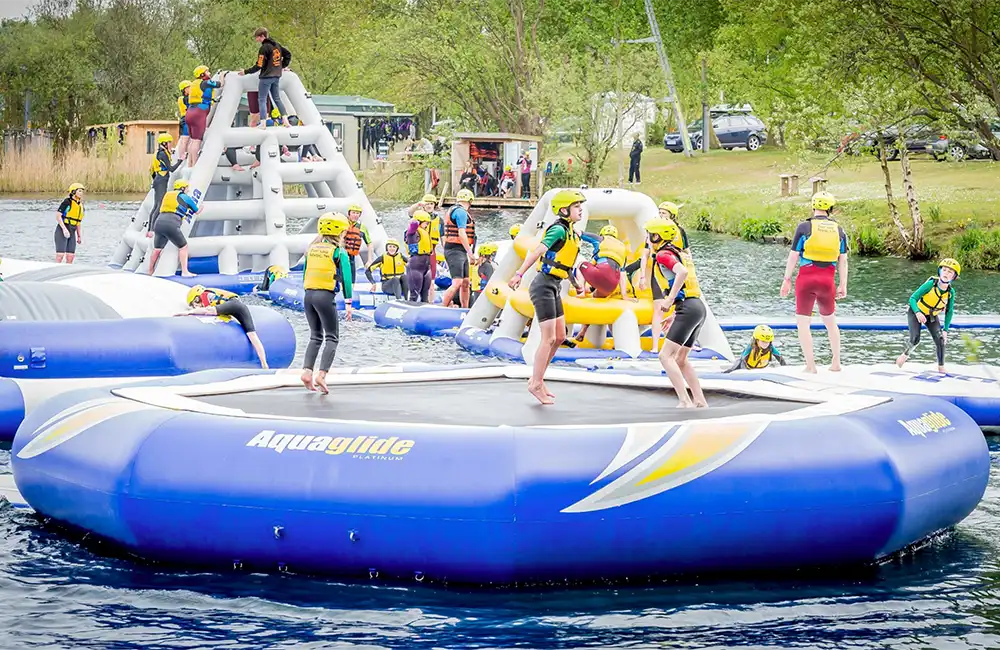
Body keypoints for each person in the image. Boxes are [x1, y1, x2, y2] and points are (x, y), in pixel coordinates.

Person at [509, 189, 585, 405]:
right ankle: (535, 382)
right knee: (549, 338)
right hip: (542, 286)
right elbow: (536, 252)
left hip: (554, 285)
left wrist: (576, 284)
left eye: (581, 206)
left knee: (560, 336)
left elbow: (564, 263)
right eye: (576, 207)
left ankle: (538, 379)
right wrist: (518, 274)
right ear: (564, 210)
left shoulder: (571, 232)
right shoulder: (558, 230)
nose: (580, 210)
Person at [780, 191, 848, 373]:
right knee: (831, 322)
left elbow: (793, 255)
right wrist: (843, 284)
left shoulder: (804, 227)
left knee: (803, 323)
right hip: (828, 281)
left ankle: (811, 365)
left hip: (806, 279)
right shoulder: (839, 231)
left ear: (813, 206)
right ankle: (836, 363)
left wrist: (786, 279)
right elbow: (843, 260)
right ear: (831, 209)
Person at [645, 219, 708, 408]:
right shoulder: (677, 252)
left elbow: (681, 273)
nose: (647, 239)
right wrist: (675, 313)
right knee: (680, 358)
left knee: (665, 356)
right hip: (696, 308)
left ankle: (684, 400)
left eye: (649, 235)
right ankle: (700, 400)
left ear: (657, 236)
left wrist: (670, 299)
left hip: (688, 308)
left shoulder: (664, 254)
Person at [301, 213, 353, 394]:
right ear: (340, 232)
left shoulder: (311, 249)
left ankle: (307, 372)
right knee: (332, 337)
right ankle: (321, 375)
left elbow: (304, 275)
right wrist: (348, 302)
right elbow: (347, 279)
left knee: (315, 336)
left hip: (308, 295)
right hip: (325, 296)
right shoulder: (339, 252)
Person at [177, 285, 269, 369]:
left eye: (194, 304)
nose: (195, 306)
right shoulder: (211, 294)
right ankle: (264, 363)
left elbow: (207, 310)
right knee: (252, 335)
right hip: (239, 306)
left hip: (232, 305)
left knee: (209, 311)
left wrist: (189, 312)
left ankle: (264, 363)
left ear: (197, 298)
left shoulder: (205, 295)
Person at [896, 258, 960, 373]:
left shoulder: (950, 292)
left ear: (954, 277)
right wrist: (918, 313)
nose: (946, 273)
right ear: (939, 271)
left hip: (931, 316)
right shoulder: (931, 284)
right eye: (944, 270)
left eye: (950, 272)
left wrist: (945, 330)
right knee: (915, 339)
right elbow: (913, 298)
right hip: (916, 311)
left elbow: (949, 311)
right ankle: (904, 356)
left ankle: (941, 367)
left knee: (941, 339)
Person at [240, 27, 292, 129]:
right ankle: (286, 121)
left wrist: (245, 72)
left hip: (266, 77)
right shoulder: (277, 45)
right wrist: (282, 66)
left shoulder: (264, 48)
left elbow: (259, 65)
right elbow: (288, 55)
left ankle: (263, 123)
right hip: (277, 76)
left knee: (262, 99)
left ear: (263, 36)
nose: (257, 40)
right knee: (277, 98)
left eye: (258, 37)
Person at [147, 178, 199, 277]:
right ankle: (185, 272)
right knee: (183, 247)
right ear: (183, 188)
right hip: (172, 223)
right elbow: (196, 210)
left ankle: (150, 270)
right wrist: (201, 208)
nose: (188, 190)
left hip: (158, 222)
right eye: (187, 188)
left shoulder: (167, 195)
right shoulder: (184, 197)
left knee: (157, 249)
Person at [440, 189, 476, 308]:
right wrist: (470, 253)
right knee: (458, 282)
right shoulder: (460, 212)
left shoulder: (456, 210)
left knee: (466, 282)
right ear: (470, 201)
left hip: (460, 251)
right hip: (454, 250)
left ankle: (465, 309)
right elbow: (461, 234)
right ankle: (443, 307)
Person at [185, 65, 224, 165]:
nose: (209, 73)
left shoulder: (194, 83)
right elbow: (220, 84)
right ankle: (195, 164)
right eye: (207, 72)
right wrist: (222, 75)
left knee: (192, 140)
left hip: (190, 111)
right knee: (197, 140)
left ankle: (189, 163)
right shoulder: (205, 82)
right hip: (199, 112)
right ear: (202, 74)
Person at [407, 193, 442, 302]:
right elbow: (412, 220)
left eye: (431, 204)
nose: (429, 205)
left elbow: (442, 236)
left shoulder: (437, 220)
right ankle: (411, 306)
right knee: (415, 292)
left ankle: (428, 305)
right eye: (427, 204)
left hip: (428, 258)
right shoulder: (413, 230)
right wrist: (418, 206)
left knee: (427, 288)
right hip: (416, 261)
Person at [578, 225, 629, 299]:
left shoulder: (601, 239)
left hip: (600, 274)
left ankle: (581, 292)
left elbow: (580, 234)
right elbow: (623, 274)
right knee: (595, 295)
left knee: (581, 264)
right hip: (612, 285)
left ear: (602, 233)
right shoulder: (623, 248)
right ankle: (591, 291)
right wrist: (624, 296)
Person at [148, 133, 184, 227]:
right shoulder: (163, 154)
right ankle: (152, 229)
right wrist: (181, 160)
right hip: (161, 180)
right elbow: (171, 169)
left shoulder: (159, 152)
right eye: (169, 142)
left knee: (156, 205)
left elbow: (151, 169)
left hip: (158, 179)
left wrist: (155, 179)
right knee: (159, 205)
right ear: (164, 143)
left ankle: (150, 229)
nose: (170, 144)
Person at [405, 210, 434, 302]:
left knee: (425, 295)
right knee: (414, 294)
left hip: (426, 266)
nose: (427, 225)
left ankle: (425, 312)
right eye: (426, 223)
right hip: (415, 266)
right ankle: (410, 311)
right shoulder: (412, 233)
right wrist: (415, 220)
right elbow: (413, 226)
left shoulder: (425, 232)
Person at [55, 183, 85, 263]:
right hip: (62, 230)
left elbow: (78, 222)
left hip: (72, 231)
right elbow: (58, 216)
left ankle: (67, 273)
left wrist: (79, 236)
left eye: (82, 191)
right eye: (79, 191)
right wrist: (64, 229)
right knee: (60, 255)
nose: (81, 193)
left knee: (70, 256)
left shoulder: (81, 206)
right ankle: (55, 271)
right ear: (73, 192)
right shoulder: (67, 202)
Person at [342, 203, 372, 280]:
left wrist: (369, 260)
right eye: (353, 213)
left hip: (352, 256)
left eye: (357, 213)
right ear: (349, 213)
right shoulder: (342, 223)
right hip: (341, 255)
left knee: (352, 279)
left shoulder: (362, 227)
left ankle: (351, 287)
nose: (355, 215)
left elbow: (369, 244)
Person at [176, 80, 191, 161]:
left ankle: (182, 155)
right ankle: (182, 157)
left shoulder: (181, 98)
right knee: (185, 139)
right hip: (185, 119)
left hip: (184, 119)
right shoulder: (184, 99)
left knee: (184, 139)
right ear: (184, 90)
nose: (191, 89)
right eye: (189, 87)